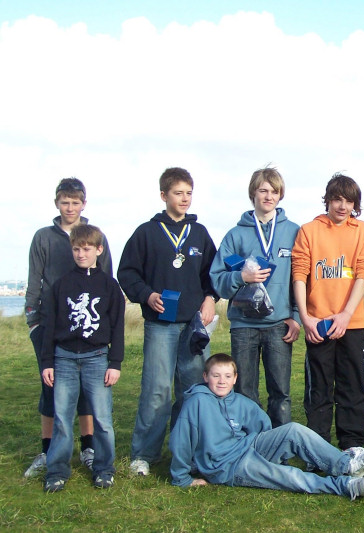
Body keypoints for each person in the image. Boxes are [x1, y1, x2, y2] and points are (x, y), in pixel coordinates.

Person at [118, 167, 218, 476]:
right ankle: (144, 455)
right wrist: (147, 296)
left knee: (191, 389)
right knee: (157, 389)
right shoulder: (146, 233)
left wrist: (211, 298)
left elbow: (212, 274)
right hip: (160, 324)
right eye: (178, 193)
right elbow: (127, 273)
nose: (185, 198)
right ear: (164, 195)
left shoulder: (199, 233)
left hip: (193, 326)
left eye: (189, 193)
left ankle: (186, 452)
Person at [169, 353, 364, 500]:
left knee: (293, 429)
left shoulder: (239, 401)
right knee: (286, 476)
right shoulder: (197, 402)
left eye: (227, 376)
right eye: (216, 376)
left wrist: (270, 449)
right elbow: (181, 441)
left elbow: (264, 424)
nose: (221, 381)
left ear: (235, 379)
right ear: (205, 377)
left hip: (249, 447)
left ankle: (345, 465)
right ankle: (345, 486)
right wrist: (182, 478)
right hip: (227, 466)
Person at [23, 177, 112, 478]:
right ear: (57, 203)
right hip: (51, 326)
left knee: (88, 391)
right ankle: (47, 451)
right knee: (51, 390)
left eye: (75, 202)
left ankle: (88, 448)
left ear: (83, 204)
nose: (70, 207)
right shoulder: (44, 237)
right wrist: (34, 320)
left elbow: (107, 281)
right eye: (65, 202)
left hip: (88, 328)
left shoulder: (95, 235)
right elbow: (35, 279)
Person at [210, 166, 300, 426]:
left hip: (279, 324)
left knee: (280, 393)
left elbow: (300, 279)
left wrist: (295, 317)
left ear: (280, 195)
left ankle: (280, 449)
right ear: (253, 194)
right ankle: (250, 445)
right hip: (243, 326)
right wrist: (241, 277)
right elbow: (217, 281)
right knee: (245, 392)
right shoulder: (234, 235)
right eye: (263, 190)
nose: (268, 196)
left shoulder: (294, 232)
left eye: (274, 191)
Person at [291, 174, 364, 450]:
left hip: (351, 323)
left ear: (355, 204)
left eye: (348, 201)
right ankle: (318, 447)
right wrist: (306, 318)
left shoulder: (363, 231)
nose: (342, 206)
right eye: (337, 199)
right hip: (318, 324)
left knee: (352, 386)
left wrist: (346, 315)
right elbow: (300, 274)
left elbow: (363, 274)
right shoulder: (308, 231)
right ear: (327, 200)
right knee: (319, 388)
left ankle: (351, 446)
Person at [40, 224, 125, 492]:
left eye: (87, 249)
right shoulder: (61, 285)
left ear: (99, 250)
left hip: (97, 357)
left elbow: (117, 326)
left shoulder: (110, 286)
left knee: (102, 418)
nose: (81, 254)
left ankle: (104, 468)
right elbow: (50, 326)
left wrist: (115, 363)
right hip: (64, 358)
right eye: (76, 249)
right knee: (63, 418)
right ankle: (56, 470)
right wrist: (47, 362)